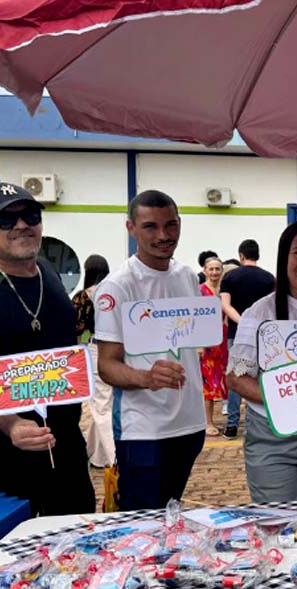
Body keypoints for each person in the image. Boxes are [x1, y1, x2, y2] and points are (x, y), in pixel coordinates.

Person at [0, 182, 95, 516]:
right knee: (18, 557)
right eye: (6, 220)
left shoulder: (47, 272)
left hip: (61, 439)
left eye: (30, 215)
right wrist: (12, 425)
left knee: (77, 536)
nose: (22, 225)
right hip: (2, 449)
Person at [94, 190, 207, 510]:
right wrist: (147, 377)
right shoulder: (118, 286)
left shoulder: (187, 276)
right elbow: (106, 365)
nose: (163, 235)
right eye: (150, 227)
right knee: (143, 522)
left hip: (190, 424)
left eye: (170, 225)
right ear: (131, 228)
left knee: (171, 513)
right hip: (143, 429)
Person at [227, 221, 297, 502]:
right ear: (283, 258)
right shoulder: (260, 311)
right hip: (271, 435)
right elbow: (236, 377)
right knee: (278, 525)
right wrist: (286, 397)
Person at [220, 239, 275, 439]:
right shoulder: (269, 278)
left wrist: (244, 323)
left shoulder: (230, 277)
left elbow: (226, 305)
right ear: (257, 255)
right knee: (264, 376)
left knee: (237, 376)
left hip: (237, 333)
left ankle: (232, 424)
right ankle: (269, 418)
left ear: (241, 256)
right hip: (267, 335)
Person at [71, 254, 115, 468]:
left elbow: (76, 328)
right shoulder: (117, 291)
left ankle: (115, 457)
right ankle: (95, 454)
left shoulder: (83, 297)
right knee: (107, 401)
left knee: (100, 406)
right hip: (120, 349)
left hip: (96, 347)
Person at [199, 256, 229, 436]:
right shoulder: (200, 291)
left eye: (218, 269)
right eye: (211, 269)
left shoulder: (225, 290)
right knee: (207, 383)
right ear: (204, 271)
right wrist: (199, 345)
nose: (215, 272)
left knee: (226, 380)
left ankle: (229, 419)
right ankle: (208, 421)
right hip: (206, 341)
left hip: (224, 340)